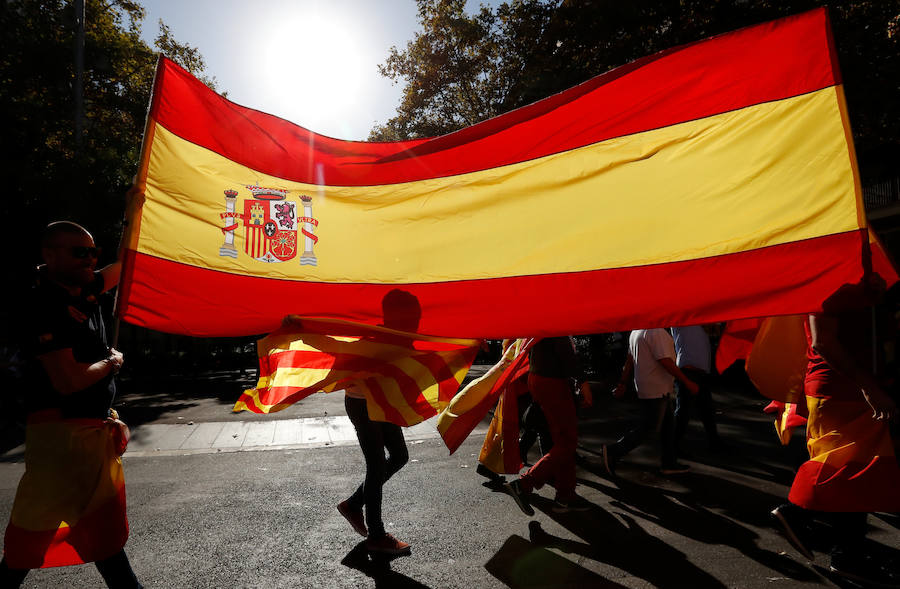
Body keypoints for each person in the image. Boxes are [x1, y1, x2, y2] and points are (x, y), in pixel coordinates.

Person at [0, 221, 141, 588]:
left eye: (93, 251)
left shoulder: (82, 287)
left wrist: (138, 208)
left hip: (80, 432)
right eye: (80, 252)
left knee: (79, 524)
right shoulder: (42, 302)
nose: (90, 259)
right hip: (61, 433)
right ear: (50, 255)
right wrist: (112, 363)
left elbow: (122, 267)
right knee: (80, 523)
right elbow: (69, 381)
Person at [771, 308, 900, 586]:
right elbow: (823, 341)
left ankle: (848, 556)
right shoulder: (832, 283)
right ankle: (798, 512)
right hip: (843, 389)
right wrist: (868, 386)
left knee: (857, 471)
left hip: (848, 387)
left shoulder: (853, 283)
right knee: (847, 465)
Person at [334, 290, 418, 556]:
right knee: (377, 464)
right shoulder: (375, 335)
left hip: (381, 403)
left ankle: (354, 504)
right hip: (363, 403)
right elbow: (341, 349)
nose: (417, 319)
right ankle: (377, 535)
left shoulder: (403, 335)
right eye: (413, 314)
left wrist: (470, 344)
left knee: (400, 456)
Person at [505, 337, 590, 514]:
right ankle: (525, 484)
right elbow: (566, 355)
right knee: (567, 442)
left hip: (542, 379)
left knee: (562, 442)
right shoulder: (556, 321)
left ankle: (565, 495)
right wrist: (584, 383)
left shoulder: (544, 319)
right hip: (552, 383)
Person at [602, 328, 698, 475]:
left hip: (652, 387)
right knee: (650, 427)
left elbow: (629, 360)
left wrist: (622, 382)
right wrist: (686, 381)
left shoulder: (636, 331)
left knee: (668, 426)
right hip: (656, 388)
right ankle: (614, 451)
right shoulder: (656, 332)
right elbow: (665, 361)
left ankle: (669, 462)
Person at [671, 325, 721, 455]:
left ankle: (715, 443)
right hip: (687, 371)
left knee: (707, 410)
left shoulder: (700, 320)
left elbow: (715, 331)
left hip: (701, 372)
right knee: (683, 412)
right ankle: (671, 447)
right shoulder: (681, 318)